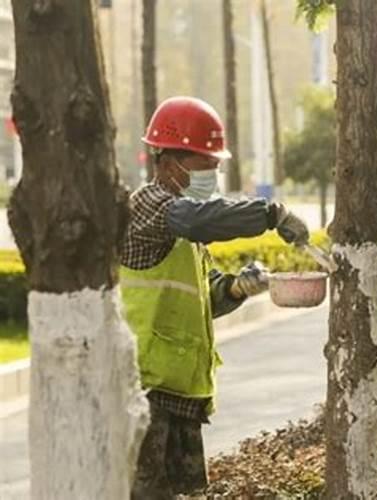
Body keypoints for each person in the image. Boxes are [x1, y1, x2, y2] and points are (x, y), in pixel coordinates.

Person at [121, 96, 309, 499]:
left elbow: (206, 294)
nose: (214, 173)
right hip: (143, 388)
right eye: (207, 164)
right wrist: (270, 214)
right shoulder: (150, 206)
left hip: (179, 391)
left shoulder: (184, 228)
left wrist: (238, 288)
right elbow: (199, 220)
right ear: (170, 161)